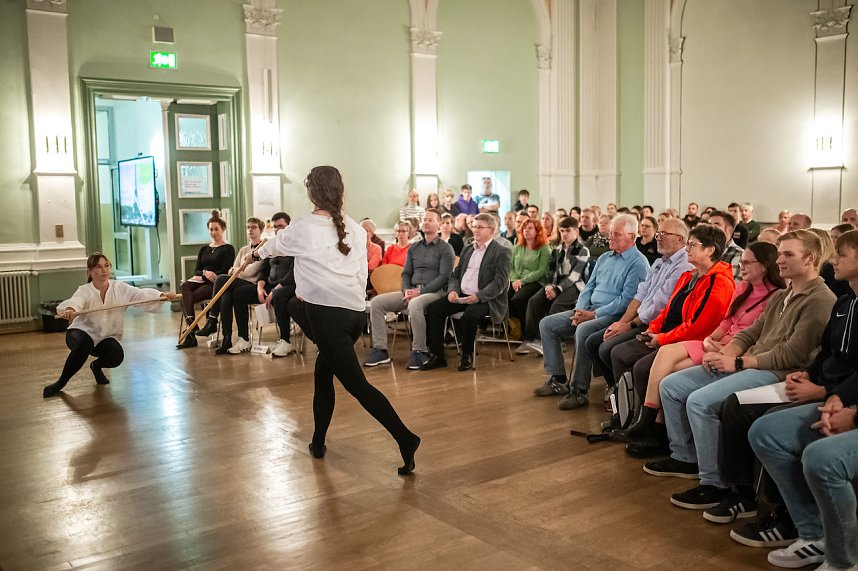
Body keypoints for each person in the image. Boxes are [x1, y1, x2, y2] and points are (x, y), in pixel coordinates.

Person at [647, 230, 836, 514]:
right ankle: (685, 457)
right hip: (751, 361)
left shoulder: (820, 299)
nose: (780, 259)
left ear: (811, 259)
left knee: (700, 402)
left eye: (788, 254)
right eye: (780, 253)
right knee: (672, 385)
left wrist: (738, 363)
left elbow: (793, 354)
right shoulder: (783, 295)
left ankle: (715, 483)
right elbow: (751, 331)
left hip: (778, 373)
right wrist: (729, 350)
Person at [253, 165, 420, 475]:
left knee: (358, 387)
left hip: (327, 318)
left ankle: (406, 438)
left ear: (311, 192)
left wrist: (253, 254)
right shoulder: (356, 229)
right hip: (354, 315)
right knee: (322, 374)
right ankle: (318, 442)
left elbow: (271, 247)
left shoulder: (303, 227)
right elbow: (360, 276)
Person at [748, 230, 858, 570]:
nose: (833, 260)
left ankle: (844, 561)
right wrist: (811, 376)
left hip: (847, 404)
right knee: (764, 431)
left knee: (820, 457)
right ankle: (813, 533)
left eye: (842, 254)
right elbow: (828, 354)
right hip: (838, 397)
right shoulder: (845, 302)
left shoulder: (825, 297)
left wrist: (847, 410)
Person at [619, 241, 784, 455]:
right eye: (741, 262)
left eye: (747, 263)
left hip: (737, 350)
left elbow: (759, 336)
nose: (741, 266)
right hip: (717, 341)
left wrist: (725, 347)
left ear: (764, 265)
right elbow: (726, 321)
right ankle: (649, 421)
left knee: (675, 372)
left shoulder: (776, 296)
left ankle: (658, 429)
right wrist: (710, 341)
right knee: (666, 352)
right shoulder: (743, 287)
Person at [606, 225, 736, 431]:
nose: (687, 248)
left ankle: (650, 425)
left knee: (641, 367)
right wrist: (654, 329)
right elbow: (667, 309)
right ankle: (627, 413)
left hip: (692, 341)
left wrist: (662, 338)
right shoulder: (690, 275)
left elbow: (698, 327)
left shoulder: (719, 282)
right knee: (618, 352)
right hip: (671, 335)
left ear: (710, 250)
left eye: (693, 244)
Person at [532, 215, 649, 409]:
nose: (610, 237)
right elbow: (588, 287)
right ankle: (558, 379)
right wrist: (580, 308)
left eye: (616, 234)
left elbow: (626, 301)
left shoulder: (638, 263)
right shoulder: (605, 257)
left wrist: (593, 315)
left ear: (632, 236)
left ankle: (579, 390)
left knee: (583, 330)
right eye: (610, 233)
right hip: (589, 310)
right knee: (547, 324)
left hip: (613, 315)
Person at [43, 253, 176, 397]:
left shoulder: (119, 288)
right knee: (84, 343)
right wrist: (70, 309)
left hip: (104, 337)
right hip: (79, 333)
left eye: (106, 266)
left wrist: (161, 296)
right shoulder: (85, 290)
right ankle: (60, 383)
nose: (104, 270)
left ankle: (96, 366)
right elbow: (77, 301)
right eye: (99, 267)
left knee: (116, 355)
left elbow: (140, 295)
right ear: (90, 271)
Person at [582, 218, 693, 390]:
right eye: (658, 233)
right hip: (643, 319)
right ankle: (617, 391)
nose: (658, 237)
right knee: (593, 342)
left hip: (659, 325)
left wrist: (631, 324)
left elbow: (659, 304)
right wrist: (623, 323)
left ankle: (626, 400)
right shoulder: (661, 261)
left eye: (664, 234)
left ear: (680, 239)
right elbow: (640, 295)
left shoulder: (683, 266)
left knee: (610, 350)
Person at [364, 209, 455, 370]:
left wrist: (419, 292)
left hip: (434, 293)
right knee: (377, 302)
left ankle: (419, 351)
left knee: (415, 304)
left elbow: (444, 278)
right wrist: (407, 290)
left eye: (430, 220)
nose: (426, 222)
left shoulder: (445, 248)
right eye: (424, 220)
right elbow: (406, 273)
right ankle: (381, 349)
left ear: (439, 224)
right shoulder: (414, 248)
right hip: (411, 291)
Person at [420, 213, 512, 372]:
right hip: (462, 294)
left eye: (479, 227)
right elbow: (456, 275)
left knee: (470, 315)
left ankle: (466, 356)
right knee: (434, 309)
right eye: (474, 226)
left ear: (491, 230)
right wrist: (453, 291)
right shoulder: (468, 249)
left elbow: (500, 283)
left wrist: (478, 296)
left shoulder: (501, 252)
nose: (475, 230)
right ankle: (437, 356)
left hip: (487, 298)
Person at [519, 216, 591, 353]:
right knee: (534, 302)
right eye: (562, 231)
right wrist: (548, 287)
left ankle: (558, 341)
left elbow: (574, 276)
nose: (564, 234)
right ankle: (532, 339)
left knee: (557, 305)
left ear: (576, 231)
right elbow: (550, 273)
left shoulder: (583, 250)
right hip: (556, 285)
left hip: (575, 287)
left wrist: (556, 290)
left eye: (568, 231)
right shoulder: (557, 250)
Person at [199, 218, 266, 354]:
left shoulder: (263, 248)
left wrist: (238, 272)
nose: (250, 230)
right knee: (226, 295)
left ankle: (212, 319)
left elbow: (250, 272)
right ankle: (227, 338)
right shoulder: (243, 250)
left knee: (221, 279)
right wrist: (239, 271)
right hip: (239, 284)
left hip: (253, 284)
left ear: (261, 230)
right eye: (248, 227)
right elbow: (232, 269)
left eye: (253, 227)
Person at [178, 210, 235, 340]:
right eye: (211, 229)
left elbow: (226, 270)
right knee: (185, 286)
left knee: (184, 299)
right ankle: (192, 325)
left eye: (216, 229)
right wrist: (205, 273)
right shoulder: (204, 249)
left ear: (223, 229)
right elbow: (197, 270)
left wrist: (212, 275)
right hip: (202, 278)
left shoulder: (228, 248)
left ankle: (190, 331)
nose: (213, 232)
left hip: (215, 283)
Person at [256, 212, 297, 357]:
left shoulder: (295, 245)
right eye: (275, 227)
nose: (278, 229)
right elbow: (263, 270)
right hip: (270, 285)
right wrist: (260, 288)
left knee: (278, 295)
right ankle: (243, 338)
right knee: (238, 292)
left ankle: (285, 340)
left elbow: (293, 273)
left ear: (289, 227)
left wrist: (275, 290)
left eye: (281, 226)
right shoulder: (272, 245)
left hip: (289, 285)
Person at [508, 218, 550, 340]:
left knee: (518, 298)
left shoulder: (544, 248)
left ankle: (527, 330)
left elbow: (541, 271)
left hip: (536, 281)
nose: (526, 230)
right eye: (524, 228)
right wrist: (515, 280)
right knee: (504, 297)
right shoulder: (518, 247)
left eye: (530, 228)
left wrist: (522, 281)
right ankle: (517, 327)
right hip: (517, 280)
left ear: (538, 231)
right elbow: (511, 267)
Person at [709, 210, 744, 282]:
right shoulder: (706, 251)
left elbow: (733, 285)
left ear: (729, 230)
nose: (711, 228)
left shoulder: (738, 254)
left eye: (716, 225)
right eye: (710, 224)